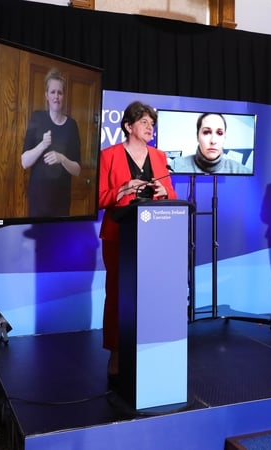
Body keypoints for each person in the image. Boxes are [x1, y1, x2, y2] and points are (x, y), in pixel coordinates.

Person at [98, 101, 177, 385]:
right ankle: (116, 352)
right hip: (118, 234)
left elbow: (171, 195)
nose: (150, 127)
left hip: (154, 234)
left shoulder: (159, 156)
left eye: (152, 123)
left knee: (150, 294)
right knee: (117, 294)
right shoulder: (108, 155)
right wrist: (122, 189)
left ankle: (148, 350)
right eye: (144, 122)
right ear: (128, 126)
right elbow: (99, 198)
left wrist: (163, 191)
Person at [21, 68, 82, 217]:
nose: (56, 96)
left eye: (59, 92)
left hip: (61, 202)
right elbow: (24, 162)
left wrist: (62, 158)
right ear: (46, 96)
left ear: (64, 96)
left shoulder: (71, 125)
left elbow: (77, 170)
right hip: (37, 201)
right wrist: (42, 145)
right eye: (53, 92)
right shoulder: (37, 118)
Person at [170, 112, 251, 174]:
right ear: (197, 136)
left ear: (224, 138)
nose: (213, 141)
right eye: (206, 132)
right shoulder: (175, 167)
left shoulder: (241, 171)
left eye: (219, 133)